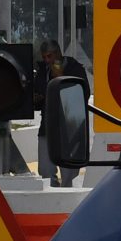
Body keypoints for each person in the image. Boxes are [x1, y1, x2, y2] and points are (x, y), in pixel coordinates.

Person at [41, 41, 90, 185]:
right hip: (48, 125)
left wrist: (60, 76)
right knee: (45, 168)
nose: (47, 61)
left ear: (57, 53)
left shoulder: (75, 68)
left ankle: (66, 190)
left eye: (49, 56)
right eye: (44, 57)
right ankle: (51, 192)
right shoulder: (44, 71)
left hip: (70, 125)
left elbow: (83, 94)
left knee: (69, 170)